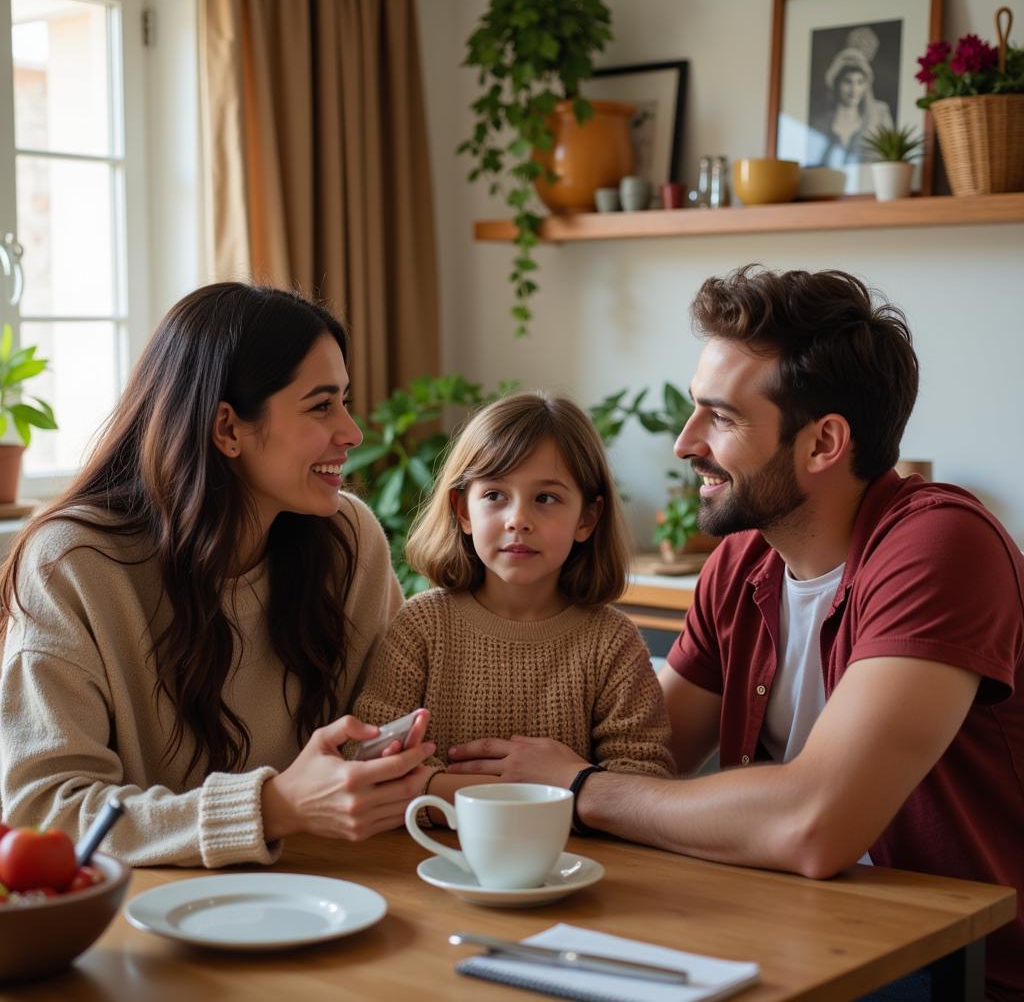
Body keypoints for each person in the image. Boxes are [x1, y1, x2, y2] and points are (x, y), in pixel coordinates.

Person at [446, 268, 1024, 999]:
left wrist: (580, 787)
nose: (687, 442)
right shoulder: (742, 561)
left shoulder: (941, 546)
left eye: (719, 418)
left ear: (823, 444)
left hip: (955, 967)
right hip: (779, 931)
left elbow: (815, 826)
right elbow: (646, 755)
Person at [0, 283, 436, 868]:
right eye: (321, 406)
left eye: (345, 402)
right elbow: (45, 812)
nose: (352, 433)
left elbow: (376, 742)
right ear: (227, 428)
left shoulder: (350, 542)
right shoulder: (72, 565)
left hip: (326, 886)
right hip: (146, 918)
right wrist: (272, 807)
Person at [352, 391, 674, 810]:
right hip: (424, 862)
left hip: (567, 866)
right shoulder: (422, 627)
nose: (518, 519)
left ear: (587, 519)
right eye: (495, 495)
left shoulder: (612, 643)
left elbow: (643, 779)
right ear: (462, 510)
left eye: (546, 498)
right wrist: (511, 795)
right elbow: (367, 758)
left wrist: (435, 785)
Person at [811, 43, 894, 167]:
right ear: (836, 84)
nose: (854, 90)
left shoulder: (880, 113)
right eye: (847, 82)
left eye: (860, 82)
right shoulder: (819, 122)